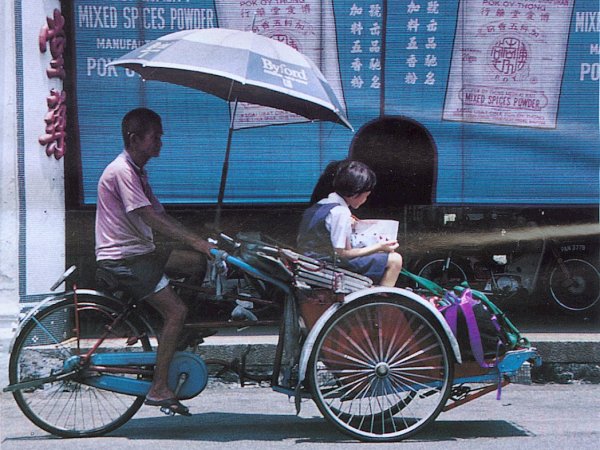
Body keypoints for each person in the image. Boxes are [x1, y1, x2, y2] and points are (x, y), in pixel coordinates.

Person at [95, 107, 215, 416]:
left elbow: (159, 214)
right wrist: (195, 241)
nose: (161, 143)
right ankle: (159, 388)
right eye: (155, 137)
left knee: (195, 264)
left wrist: (203, 239)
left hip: (139, 252)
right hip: (126, 257)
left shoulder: (137, 171)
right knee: (177, 310)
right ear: (135, 139)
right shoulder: (122, 171)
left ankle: (171, 333)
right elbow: (147, 215)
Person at [297, 160, 403, 286]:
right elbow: (343, 254)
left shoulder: (322, 204)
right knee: (395, 260)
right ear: (355, 194)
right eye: (366, 195)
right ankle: (380, 302)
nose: (365, 200)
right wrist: (379, 247)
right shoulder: (341, 212)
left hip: (311, 260)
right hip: (327, 264)